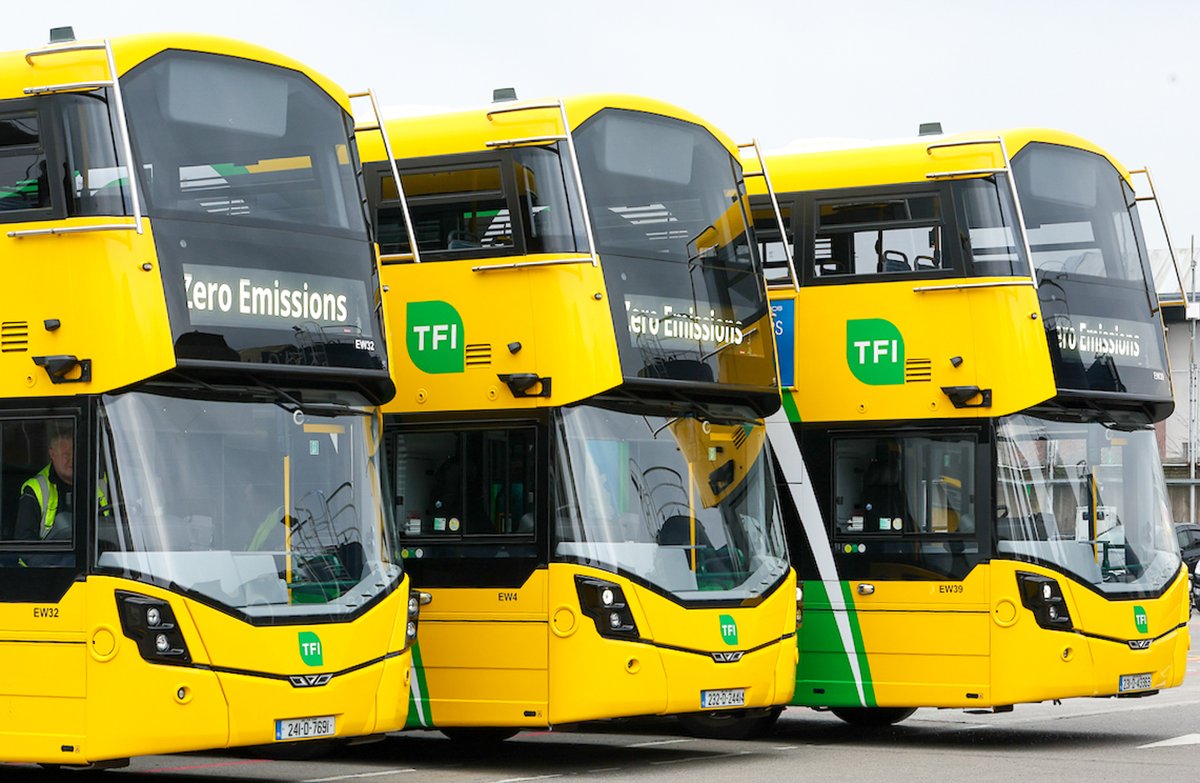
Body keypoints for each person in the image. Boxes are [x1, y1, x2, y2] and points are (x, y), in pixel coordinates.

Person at [14, 422, 75, 542]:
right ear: (52, 454)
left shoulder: (98, 481)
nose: (71, 460)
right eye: (66, 455)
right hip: (49, 554)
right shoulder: (36, 488)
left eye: (75, 453)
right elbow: (24, 542)